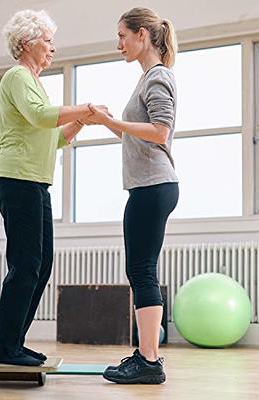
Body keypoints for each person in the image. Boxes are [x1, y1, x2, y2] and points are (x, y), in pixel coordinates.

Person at [0, 9, 109, 366]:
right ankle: (5, 348)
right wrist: (83, 107)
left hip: (35, 184)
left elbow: (53, 137)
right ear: (27, 43)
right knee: (25, 265)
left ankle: (14, 342)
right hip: (17, 181)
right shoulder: (16, 76)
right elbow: (42, 116)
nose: (52, 48)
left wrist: (81, 123)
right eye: (47, 40)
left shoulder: (35, 82)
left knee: (40, 266)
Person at [85, 7, 179, 384]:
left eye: (123, 35)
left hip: (153, 185)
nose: (119, 43)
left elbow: (160, 131)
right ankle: (146, 356)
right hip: (149, 186)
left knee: (142, 272)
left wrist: (112, 121)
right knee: (140, 270)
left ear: (142, 35)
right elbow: (137, 134)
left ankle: (149, 361)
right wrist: (108, 123)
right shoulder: (148, 78)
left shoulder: (157, 77)